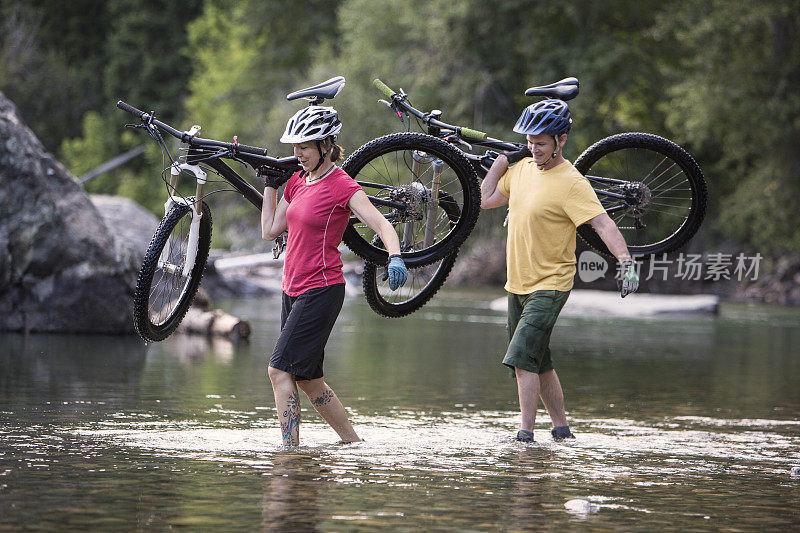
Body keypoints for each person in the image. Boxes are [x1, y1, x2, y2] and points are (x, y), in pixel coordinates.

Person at [480, 99, 639, 442]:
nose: (533, 149)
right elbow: (486, 198)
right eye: (529, 143)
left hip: (551, 284)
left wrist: (626, 262)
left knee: (522, 359)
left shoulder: (572, 182)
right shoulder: (521, 170)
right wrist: (504, 160)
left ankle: (525, 436)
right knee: (539, 361)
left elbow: (603, 224)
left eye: (541, 143)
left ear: (561, 140)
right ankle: (562, 431)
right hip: (517, 284)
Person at [261, 105, 407, 446]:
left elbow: (382, 224)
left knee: (278, 370)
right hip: (292, 288)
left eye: (306, 147)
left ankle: (289, 452)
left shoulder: (342, 185)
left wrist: (395, 257)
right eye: (295, 147)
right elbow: (270, 230)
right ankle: (354, 445)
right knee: (309, 379)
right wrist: (270, 185)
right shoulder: (297, 181)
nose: (298, 154)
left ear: (326, 145)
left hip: (322, 289)